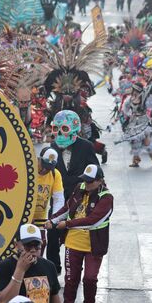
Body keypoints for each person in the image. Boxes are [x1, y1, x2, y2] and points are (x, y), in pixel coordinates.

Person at [47, 164, 113, 303]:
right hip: (73, 243)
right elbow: (67, 207)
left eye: (90, 182)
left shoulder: (106, 198)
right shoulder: (80, 187)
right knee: (70, 280)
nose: (86, 184)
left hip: (94, 245)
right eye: (85, 180)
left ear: (100, 181)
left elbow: (93, 220)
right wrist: (52, 220)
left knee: (90, 279)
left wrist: (67, 224)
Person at [48, 110, 99, 274]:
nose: (59, 134)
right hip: (58, 200)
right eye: (56, 129)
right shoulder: (53, 147)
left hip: (79, 202)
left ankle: (76, 269)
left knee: (77, 237)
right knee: (52, 234)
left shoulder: (86, 146)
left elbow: (95, 171)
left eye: (63, 129)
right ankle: (53, 270)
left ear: (74, 130)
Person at [0, 224, 65, 303]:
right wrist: (20, 270)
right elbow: (4, 302)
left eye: (37, 245)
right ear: (16, 245)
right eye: (28, 245)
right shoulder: (4, 267)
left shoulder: (49, 266)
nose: (33, 250)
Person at [32, 147, 65, 255]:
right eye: (44, 165)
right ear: (39, 159)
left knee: (40, 244)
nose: (45, 170)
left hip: (41, 217)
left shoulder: (55, 174)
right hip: (24, 216)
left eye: (49, 167)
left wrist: (53, 219)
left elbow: (58, 199)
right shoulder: (29, 170)